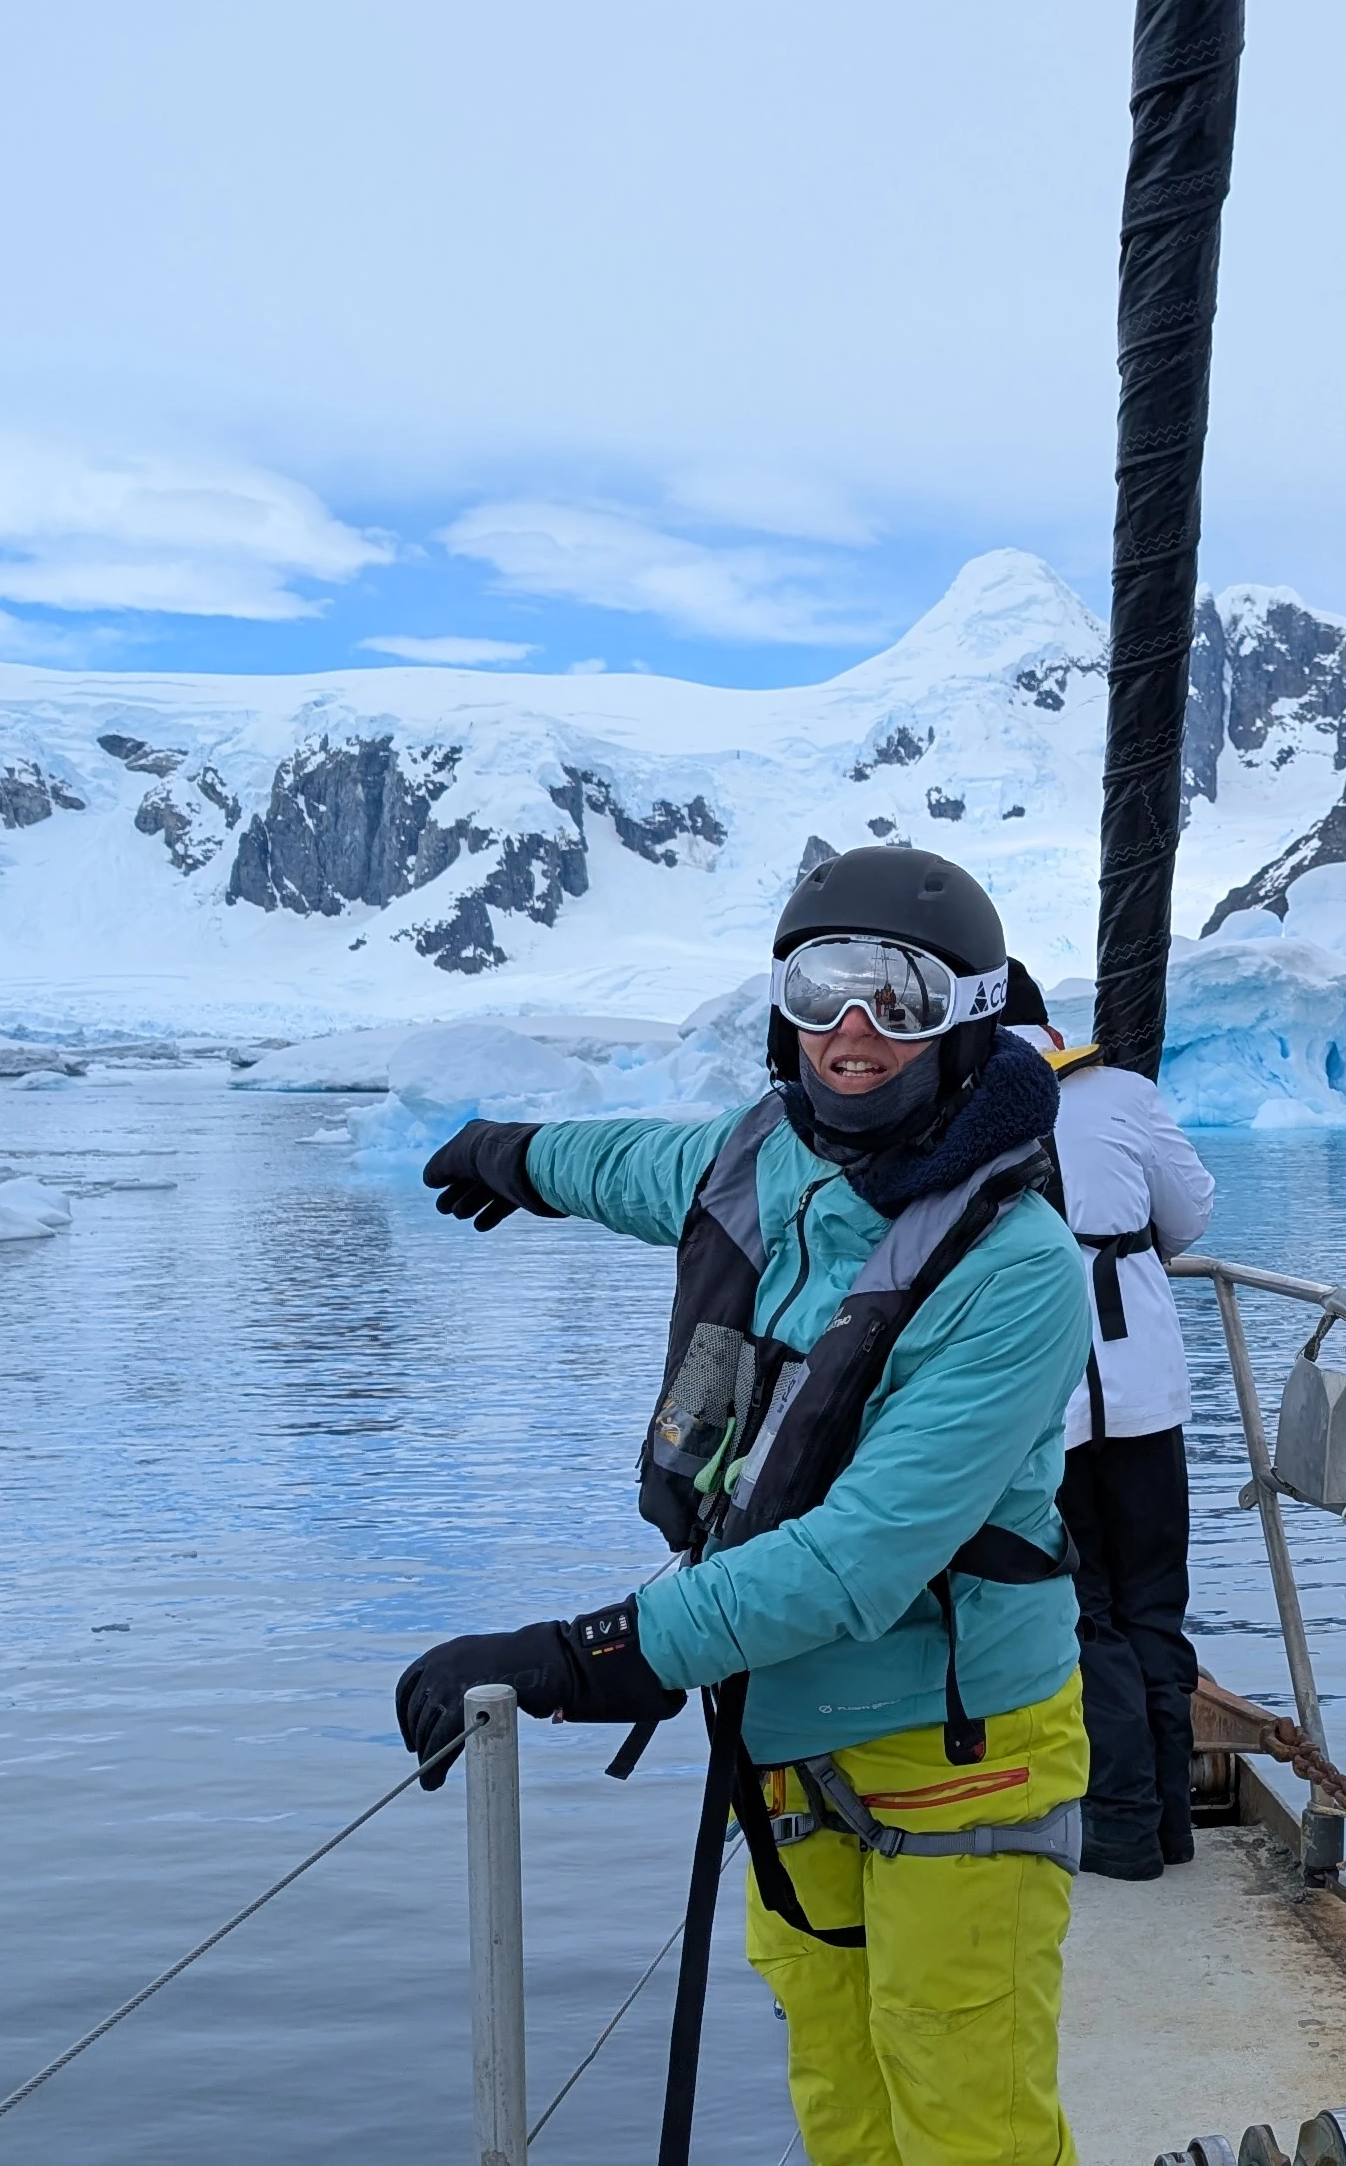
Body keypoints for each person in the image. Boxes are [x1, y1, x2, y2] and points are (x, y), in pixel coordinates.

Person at [395, 846, 1092, 2166]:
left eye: (901, 996)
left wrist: (582, 1655)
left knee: (968, 2123)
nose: (853, 1029)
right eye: (823, 985)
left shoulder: (1018, 1270)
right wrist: (514, 1155)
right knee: (840, 2102)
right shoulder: (766, 1161)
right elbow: (641, 1165)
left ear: (967, 1017)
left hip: (959, 1749)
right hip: (774, 1743)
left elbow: (852, 1565)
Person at [997, 962, 1217, 1881]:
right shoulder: (1121, 1091)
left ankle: (1118, 1824)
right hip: (1144, 1388)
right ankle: (1171, 1823)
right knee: (1155, 1602)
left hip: (1040, 1393)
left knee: (1083, 1612)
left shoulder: (965, 1104)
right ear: (1053, 1026)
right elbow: (1193, 1212)